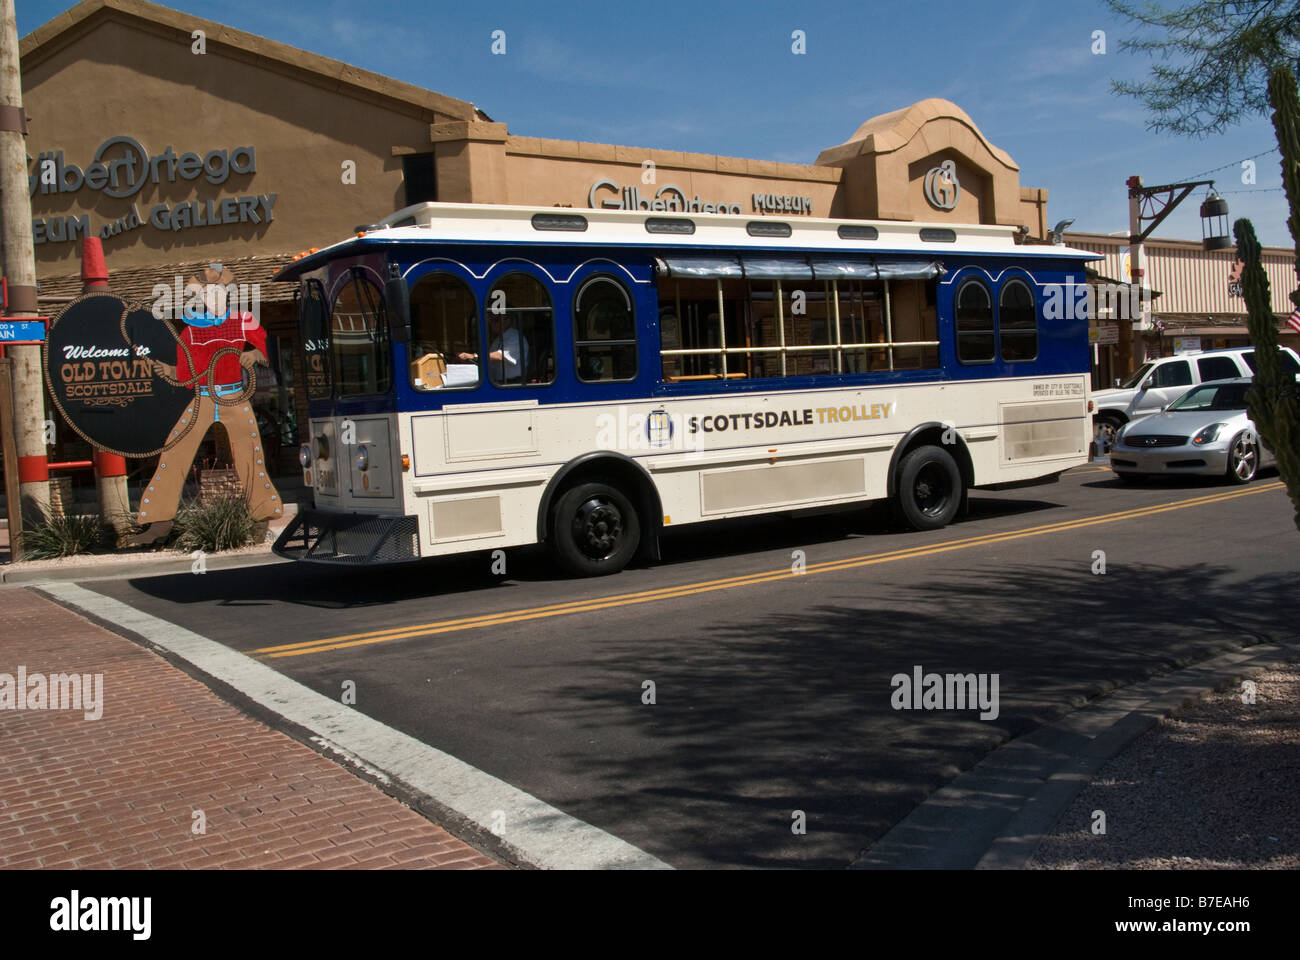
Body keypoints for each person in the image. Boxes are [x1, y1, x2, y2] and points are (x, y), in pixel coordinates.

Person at [123, 264, 282, 546]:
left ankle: (261, 519)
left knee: (250, 454)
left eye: (217, 292)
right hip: (204, 398)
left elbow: (265, 350)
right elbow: (185, 375)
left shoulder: (243, 320)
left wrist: (254, 355)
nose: (212, 297)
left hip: (234, 396)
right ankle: (158, 524)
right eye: (206, 294)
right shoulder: (191, 331)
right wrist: (167, 370)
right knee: (174, 452)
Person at [459, 313, 529, 383]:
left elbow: (500, 356)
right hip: (497, 382)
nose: (491, 324)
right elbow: (488, 357)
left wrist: (474, 356)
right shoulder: (498, 339)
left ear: (507, 321)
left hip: (512, 383)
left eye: (495, 320)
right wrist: (468, 360)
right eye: (490, 321)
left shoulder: (515, 337)